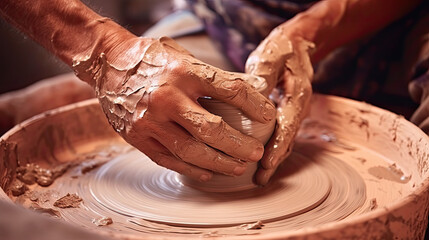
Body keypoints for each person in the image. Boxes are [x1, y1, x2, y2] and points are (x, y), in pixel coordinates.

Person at [0, 0, 428, 187]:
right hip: (237, 18)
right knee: (23, 116)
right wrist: (106, 52)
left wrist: (311, 30)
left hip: (392, 22)